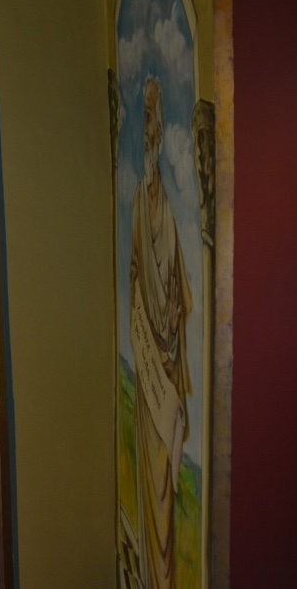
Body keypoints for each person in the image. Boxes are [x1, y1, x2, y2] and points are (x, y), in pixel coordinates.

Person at [131, 77, 191, 589]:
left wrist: (170, 319)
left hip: (164, 361)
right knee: (147, 467)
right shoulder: (138, 202)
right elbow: (136, 272)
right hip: (149, 357)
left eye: (157, 120)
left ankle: (165, 570)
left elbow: (180, 291)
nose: (153, 131)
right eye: (147, 120)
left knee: (164, 479)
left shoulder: (166, 209)